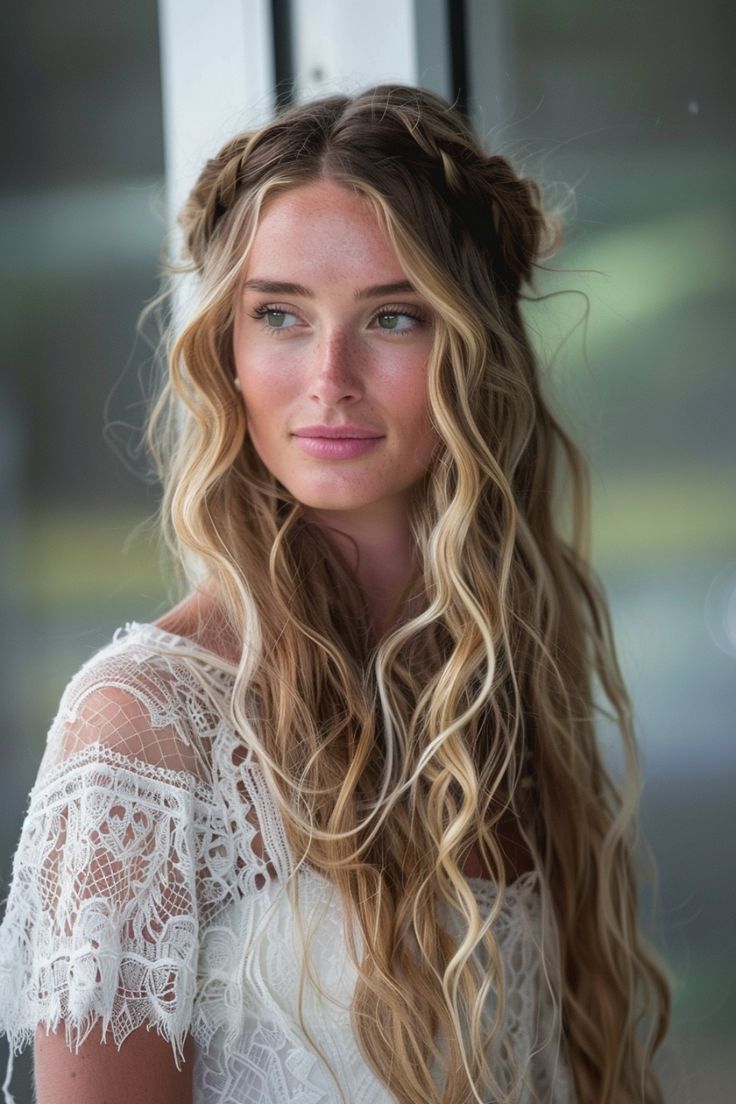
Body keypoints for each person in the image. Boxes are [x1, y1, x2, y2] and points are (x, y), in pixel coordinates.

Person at [0, 84, 670, 1104]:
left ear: (475, 346)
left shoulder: (492, 690)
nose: (330, 377)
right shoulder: (143, 733)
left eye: (392, 316)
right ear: (226, 346)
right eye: (280, 315)